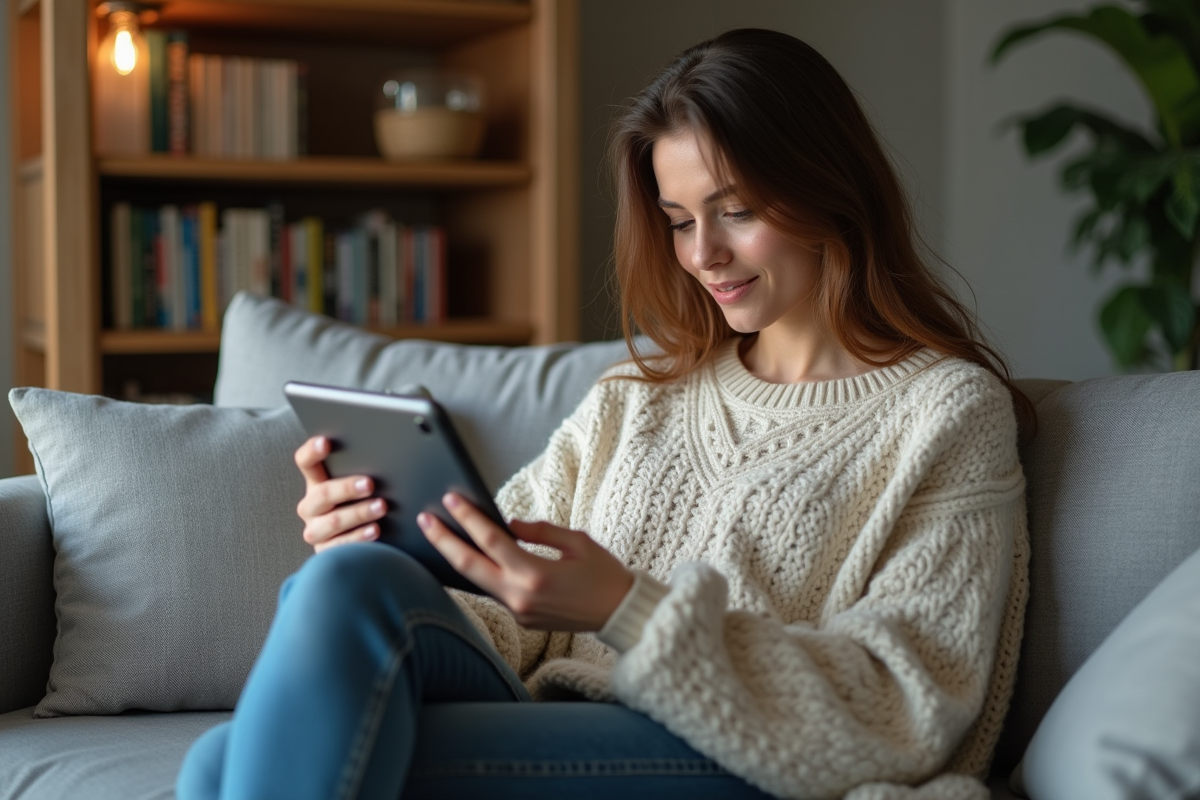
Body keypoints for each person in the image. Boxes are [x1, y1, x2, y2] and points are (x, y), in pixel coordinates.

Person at [177, 27, 1029, 800]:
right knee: (344, 579)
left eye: (736, 212)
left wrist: (624, 606)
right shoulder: (639, 395)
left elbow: (906, 707)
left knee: (225, 766)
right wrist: (388, 536)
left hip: (748, 759)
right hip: (556, 711)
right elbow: (499, 604)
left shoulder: (944, 413)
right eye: (678, 221)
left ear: (828, 188)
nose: (704, 255)